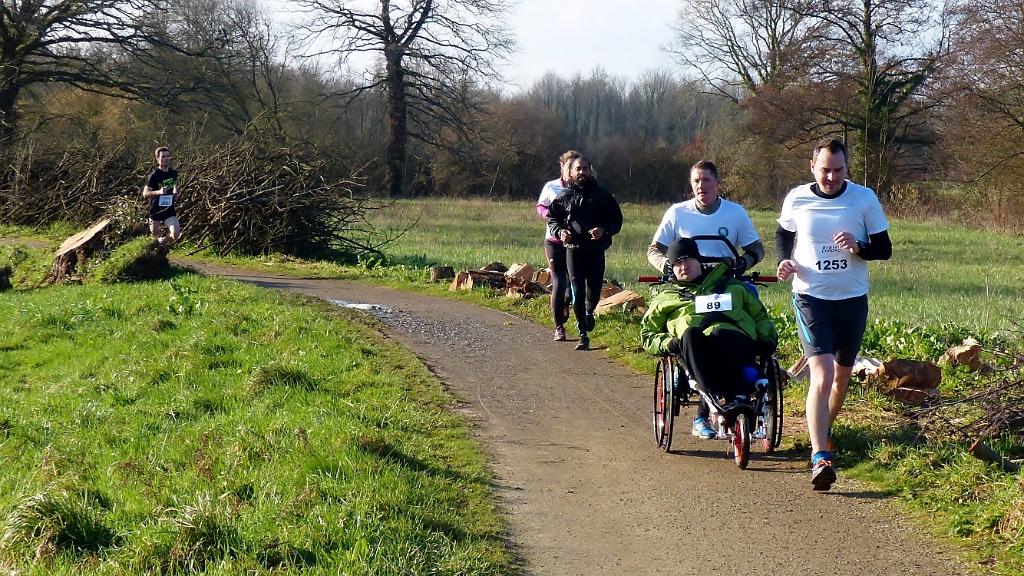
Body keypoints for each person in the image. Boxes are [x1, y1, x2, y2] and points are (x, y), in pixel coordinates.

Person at [775, 137, 892, 491]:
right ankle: (820, 456)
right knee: (822, 375)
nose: (831, 177)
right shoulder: (797, 197)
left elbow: (884, 249)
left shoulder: (863, 198)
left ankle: (823, 432)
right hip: (811, 298)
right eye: (825, 170)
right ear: (813, 167)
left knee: (841, 379)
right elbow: (783, 233)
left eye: (838, 170)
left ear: (846, 168)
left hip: (852, 300)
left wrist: (860, 247)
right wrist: (783, 260)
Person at [647, 160, 766, 440]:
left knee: (735, 323)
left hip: (725, 282)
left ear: (717, 183)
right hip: (689, 286)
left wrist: (745, 262)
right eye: (696, 181)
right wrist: (667, 266)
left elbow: (756, 248)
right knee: (696, 333)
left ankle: (750, 383)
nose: (701, 186)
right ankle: (703, 411)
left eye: (706, 180)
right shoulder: (677, 213)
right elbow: (654, 250)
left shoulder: (735, 213)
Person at [640, 237, 778, 415]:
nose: (684, 266)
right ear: (672, 268)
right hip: (694, 349)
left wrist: (766, 338)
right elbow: (648, 333)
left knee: (721, 333)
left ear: (699, 261)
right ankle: (714, 395)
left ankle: (739, 396)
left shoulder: (734, 287)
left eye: (688, 260)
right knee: (690, 334)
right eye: (678, 263)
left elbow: (760, 316)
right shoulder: (666, 298)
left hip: (736, 342)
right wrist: (667, 343)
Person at [547, 156, 623, 351]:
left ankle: (589, 312)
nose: (582, 172)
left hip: (596, 251)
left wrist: (603, 230)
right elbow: (552, 220)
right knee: (577, 292)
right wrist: (560, 232)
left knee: (594, 293)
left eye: (585, 169)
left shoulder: (602, 196)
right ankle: (583, 335)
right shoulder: (564, 196)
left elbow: (617, 220)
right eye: (578, 169)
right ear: (571, 172)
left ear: (590, 171)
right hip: (573, 251)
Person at [536, 150, 581, 341]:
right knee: (559, 281)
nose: (572, 170)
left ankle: (567, 304)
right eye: (569, 165)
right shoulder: (551, 186)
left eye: (575, 166)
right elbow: (540, 206)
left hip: (574, 242)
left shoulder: (581, 188)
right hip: (554, 242)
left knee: (573, 283)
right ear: (562, 166)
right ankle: (559, 327)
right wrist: (549, 215)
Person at [142, 146, 182, 247]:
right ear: (157, 159)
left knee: (176, 234)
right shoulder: (154, 175)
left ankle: (163, 240)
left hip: (169, 209)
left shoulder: (173, 173)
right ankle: (156, 251)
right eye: (163, 156)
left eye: (167, 156)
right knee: (153, 239)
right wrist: (158, 192)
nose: (166, 158)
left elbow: (175, 187)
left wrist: (176, 193)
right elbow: (145, 194)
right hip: (156, 210)